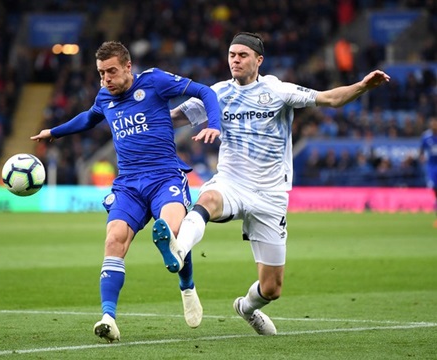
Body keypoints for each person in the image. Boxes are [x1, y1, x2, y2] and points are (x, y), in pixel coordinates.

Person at [152, 32, 390, 335]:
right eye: (231, 55)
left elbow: (329, 98)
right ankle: (178, 250)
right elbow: (173, 118)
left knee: (272, 287)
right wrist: (137, 111)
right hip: (231, 182)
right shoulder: (217, 93)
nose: (235, 60)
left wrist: (362, 86)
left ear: (258, 60)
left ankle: (246, 308)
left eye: (242, 55)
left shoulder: (278, 90)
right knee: (207, 201)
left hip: (271, 194)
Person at [31, 41, 221, 342]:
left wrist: (215, 124)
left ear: (128, 67)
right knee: (114, 239)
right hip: (129, 184)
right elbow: (88, 118)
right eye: (101, 73)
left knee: (170, 230)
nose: (106, 79)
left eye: (111, 72)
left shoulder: (154, 81)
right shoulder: (104, 96)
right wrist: (54, 132)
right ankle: (108, 317)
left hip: (164, 176)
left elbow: (205, 92)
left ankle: (187, 286)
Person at [419, 116, 437, 228]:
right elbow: (421, 150)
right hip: (432, 166)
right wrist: (421, 156)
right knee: (434, 188)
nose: (434, 125)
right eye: (432, 124)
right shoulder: (426, 137)